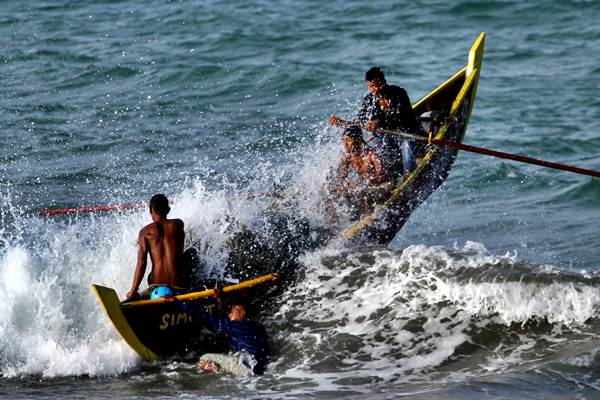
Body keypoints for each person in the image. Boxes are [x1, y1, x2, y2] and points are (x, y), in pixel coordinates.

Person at [329, 66, 423, 178]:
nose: (375, 89)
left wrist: (378, 122)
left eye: (377, 85)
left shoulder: (399, 94)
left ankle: (408, 176)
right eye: (371, 86)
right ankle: (389, 176)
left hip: (407, 133)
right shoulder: (369, 100)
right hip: (386, 136)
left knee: (407, 148)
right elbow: (361, 120)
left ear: (384, 82)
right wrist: (342, 122)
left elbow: (399, 116)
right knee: (380, 152)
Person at [170, 295, 270, 378]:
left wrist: (181, 302)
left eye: (232, 312)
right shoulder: (258, 326)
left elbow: (206, 317)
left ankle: (224, 379)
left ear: (242, 313)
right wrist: (219, 301)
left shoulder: (234, 326)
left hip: (246, 369)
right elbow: (225, 319)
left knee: (205, 358)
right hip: (260, 367)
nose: (230, 315)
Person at [126, 194, 186, 300]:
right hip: (179, 287)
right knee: (191, 253)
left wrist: (133, 291)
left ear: (150, 210)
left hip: (157, 288)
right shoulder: (178, 224)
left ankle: (140, 297)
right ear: (168, 209)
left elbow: (142, 263)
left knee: (150, 278)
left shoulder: (144, 232)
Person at [336, 126, 390, 214]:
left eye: (348, 140)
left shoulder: (371, 154)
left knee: (366, 195)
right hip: (365, 185)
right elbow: (342, 177)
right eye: (343, 140)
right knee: (338, 192)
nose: (345, 144)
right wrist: (344, 186)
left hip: (382, 184)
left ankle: (369, 221)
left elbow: (382, 175)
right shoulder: (347, 156)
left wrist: (363, 183)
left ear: (358, 140)